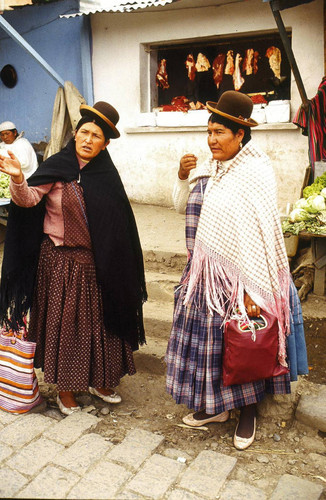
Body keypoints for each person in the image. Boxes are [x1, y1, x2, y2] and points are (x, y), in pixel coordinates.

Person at [165, 91, 308, 450]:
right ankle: (216, 409)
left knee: (242, 346)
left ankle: (248, 414)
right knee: (212, 349)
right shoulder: (208, 169)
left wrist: (251, 289)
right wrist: (182, 177)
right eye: (209, 132)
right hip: (203, 277)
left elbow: (257, 234)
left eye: (220, 133)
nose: (212, 140)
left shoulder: (254, 172)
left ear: (239, 134)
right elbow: (181, 206)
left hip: (242, 279)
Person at [0, 101, 147, 415]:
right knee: (67, 328)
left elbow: (119, 221)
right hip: (61, 264)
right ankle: (66, 390)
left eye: (96, 135)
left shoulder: (106, 173)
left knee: (102, 327)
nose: (88, 139)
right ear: (75, 134)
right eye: (84, 132)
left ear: (105, 143)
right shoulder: (58, 165)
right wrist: (17, 179)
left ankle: (99, 380)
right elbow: (28, 200)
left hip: (99, 263)